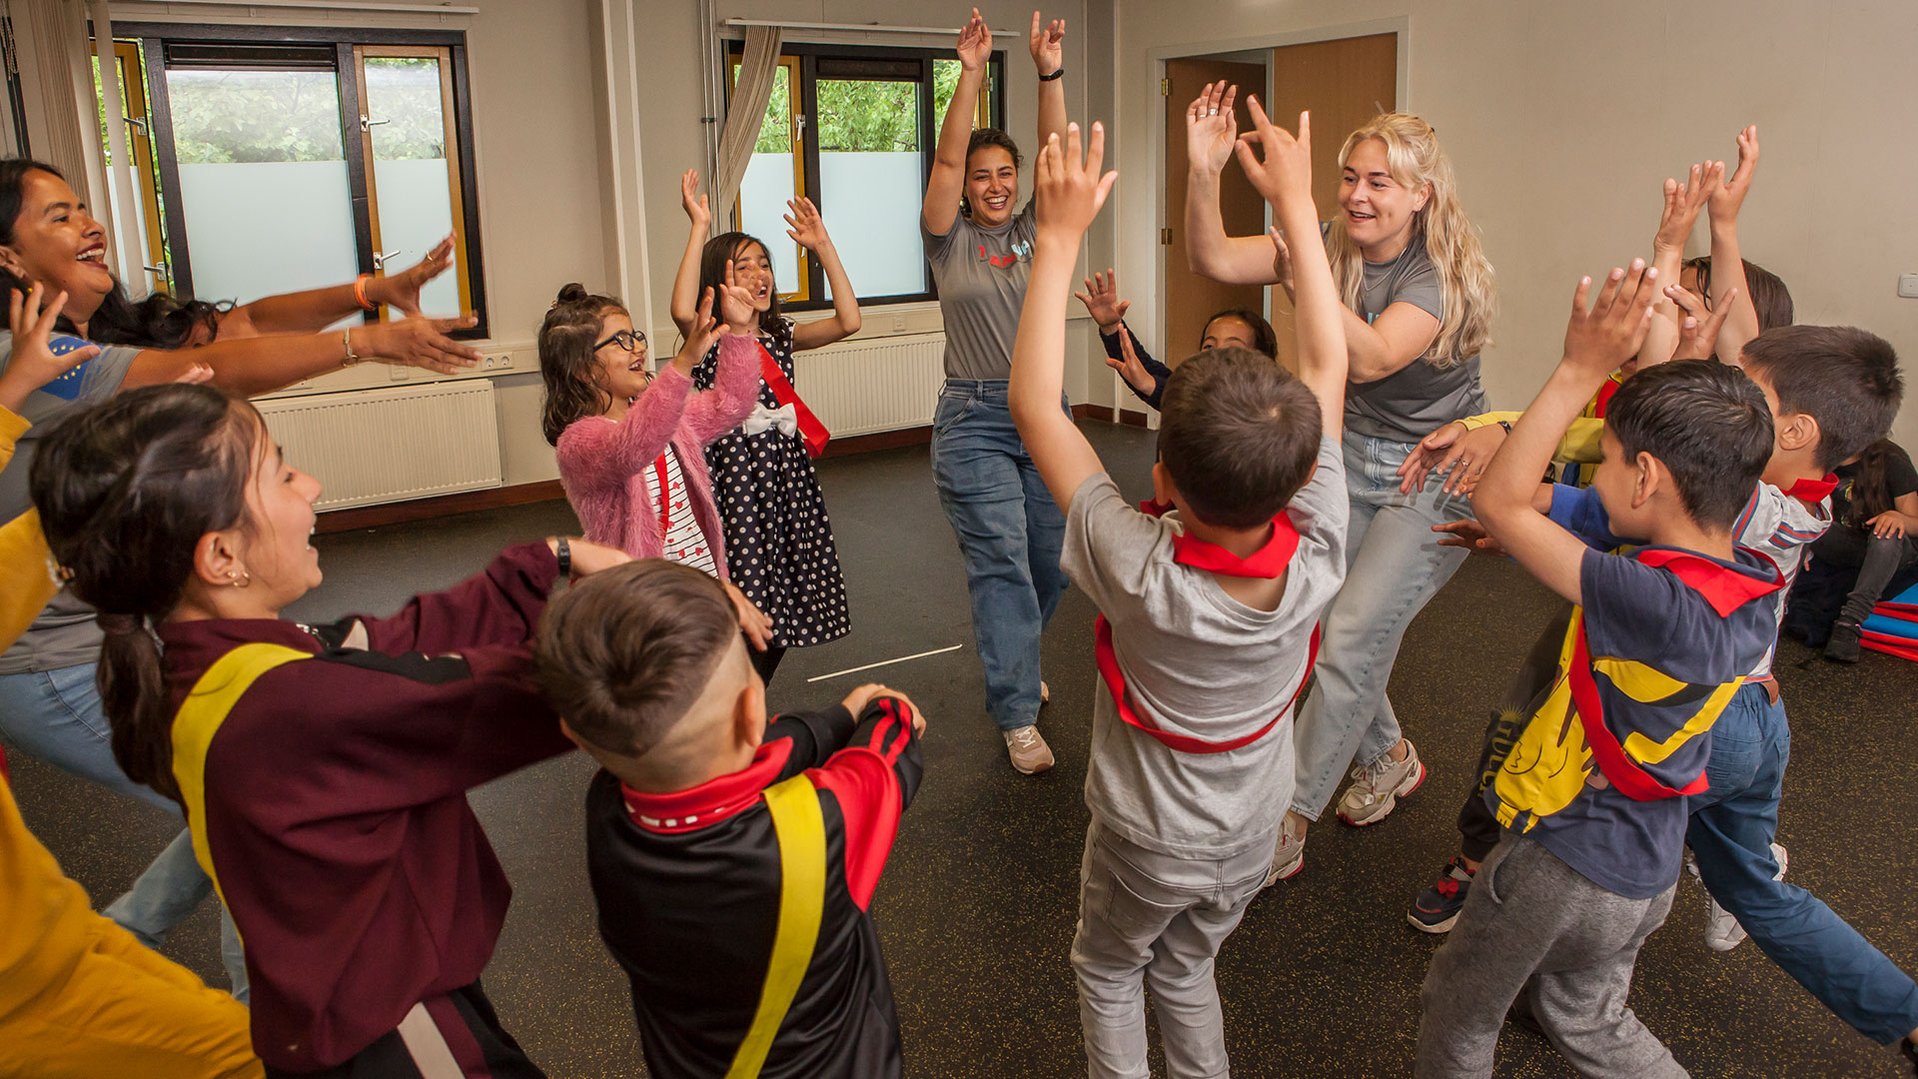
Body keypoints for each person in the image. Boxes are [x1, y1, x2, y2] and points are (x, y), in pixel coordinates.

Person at [30, 381, 632, 1074]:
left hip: (362, 1009)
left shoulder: (222, 664)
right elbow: (490, 694)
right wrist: (654, 632)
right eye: (282, 474)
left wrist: (549, 556)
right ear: (222, 557)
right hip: (392, 1031)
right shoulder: (286, 706)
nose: (311, 485)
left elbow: (391, 640)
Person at [0, 157, 481, 995]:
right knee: (248, 787)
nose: (88, 223)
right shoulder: (41, 358)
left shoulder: (93, 332)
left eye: (84, 206)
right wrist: (366, 341)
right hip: (48, 665)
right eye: (56, 216)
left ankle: (126, 933)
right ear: (6, 258)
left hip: (100, 628)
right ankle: (267, 1010)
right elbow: (215, 370)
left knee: (234, 779)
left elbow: (247, 321)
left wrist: (372, 290)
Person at [1012, 106, 1348, 1076]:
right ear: (1302, 474)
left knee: (1111, 966)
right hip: (1253, 833)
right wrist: (1292, 200)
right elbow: (1324, 362)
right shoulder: (1320, 542)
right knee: (1189, 964)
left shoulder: (1138, 563)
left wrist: (1060, 234)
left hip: (1148, 840)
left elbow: (1035, 402)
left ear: (1159, 481)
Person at [1417, 263, 1783, 1078]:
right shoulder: (1745, 574)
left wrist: (1580, 371)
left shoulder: (1645, 594)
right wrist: (1683, 361)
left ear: (1647, 477)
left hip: (1562, 865)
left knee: (1458, 1014)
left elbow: (1502, 501)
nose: (1601, 475)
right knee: (1591, 1020)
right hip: (1647, 870)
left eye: (1611, 460)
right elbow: (1610, 514)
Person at [1185, 86, 1498, 870]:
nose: (1357, 195)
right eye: (1349, 177)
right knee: (1322, 625)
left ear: (1422, 196)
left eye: (1380, 182)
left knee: (1352, 637)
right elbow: (1214, 258)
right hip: (1345, 451)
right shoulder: (1326, 237)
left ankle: (1283, 822)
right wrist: (1201, 171)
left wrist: (1297, 247)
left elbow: (1372, 355)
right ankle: (1388, 757)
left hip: (1432, 472)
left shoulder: (1434, 277)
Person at [536, 561, 926, 1078]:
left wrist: (838, 717)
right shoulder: (813, 830)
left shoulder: (612, 809)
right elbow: (882, 762)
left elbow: (758, 758)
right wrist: (884, 709)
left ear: (577, 737)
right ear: (753, 714)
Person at [0, 298, 257, 1079]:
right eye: (279, 474)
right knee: (238, 794)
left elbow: (40, 539)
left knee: (232, 791)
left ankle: (150, 933)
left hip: (55, 940)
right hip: (28, 988)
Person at [921, 8, 1072, 773]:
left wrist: (1048, 70)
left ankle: (1013, 654)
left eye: (1003, 174)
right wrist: (972, 72)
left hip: (1046, 413)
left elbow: (1053, 155)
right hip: (976, 415)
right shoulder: (949, 239)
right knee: (1003, 560)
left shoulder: (1037, 227)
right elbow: (946, 167)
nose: (992, 185)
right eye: (982, 176)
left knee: (1053, 559)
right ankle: (1017, 710)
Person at [671, 173, 860, 684]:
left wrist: (822, 245)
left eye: (764, 264)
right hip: (731, 479)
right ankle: (729, 694)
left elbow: (849, 320)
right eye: (743, 267)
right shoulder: (706, 333)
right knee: (743, 589)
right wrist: (700, 225)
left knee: (782, 592)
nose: (759, 275)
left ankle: (747, 690)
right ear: (719, 280)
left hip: (782, 476)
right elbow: (680, 308)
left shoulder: (779, 332)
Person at [539, 277, 773, 651]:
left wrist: (741, 331)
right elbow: (633, 446)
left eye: (636, 336)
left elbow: (731, 403)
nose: (638, 349)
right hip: (641, 601)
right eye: (621, 341)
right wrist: (682, 364)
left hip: (697, 582)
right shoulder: (579, 443)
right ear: (583, 369)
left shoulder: (667, 419)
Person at [1073, 267, 1279, 410]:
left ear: (1262, 361)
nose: (1216, 355)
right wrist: (1111, 326)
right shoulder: (1195, 388)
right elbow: (1147, 370)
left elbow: (1197, 406)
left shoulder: (1265, 412)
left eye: (1232, 348)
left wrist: (1151, 386)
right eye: (1209, 346)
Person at [1793, 437, 1918, 662]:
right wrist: (1802, 542)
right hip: (1852, 546)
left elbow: (1915, 523)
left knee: (1886, 533)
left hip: (1891, 549)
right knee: (1806, 524)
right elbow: (1807, 512)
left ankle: (1850, 623)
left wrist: (1897, 517)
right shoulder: (1818, 458)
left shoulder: (1892, 459)